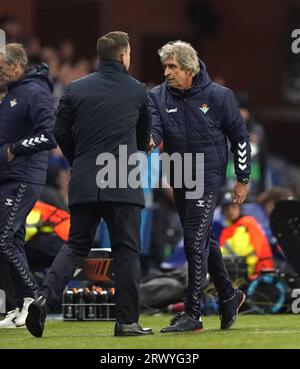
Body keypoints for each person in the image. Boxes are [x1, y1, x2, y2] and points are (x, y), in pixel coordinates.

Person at [25, 31, 153, 337]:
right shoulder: (137, 90)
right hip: (121, 178)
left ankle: (44, 297)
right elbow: (141, 139)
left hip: (84, 178)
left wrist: (77, 160)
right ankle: (127, 321)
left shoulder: (75, 88)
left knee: (75, 244)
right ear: (124, 56)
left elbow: (60, 131)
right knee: (126, 250)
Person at [149, 41, 251, 332]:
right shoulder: (157, 95)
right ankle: (229, 296)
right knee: (202, 238)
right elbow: (154, 130)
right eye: (165, 66)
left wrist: (242, 179)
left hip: (208, 175)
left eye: (173, 67)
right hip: (179, 174)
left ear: (189, 69)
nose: (167, 72)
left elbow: (240, 139)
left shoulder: (219, 96)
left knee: (194, 239)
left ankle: (192, 314)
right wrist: (149, 142)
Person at [0, 44, 57, 328]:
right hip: (9, 177)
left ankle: (35, 299)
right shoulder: (12, 93)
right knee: (13, 240)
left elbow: (50, 134)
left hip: (22, 176)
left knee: (4, 239)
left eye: (0, 68)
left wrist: (13, 150)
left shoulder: (34, 91)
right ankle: (20, 306)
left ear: (17, 65)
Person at [220, 194, 275, 279]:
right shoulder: (226, 230)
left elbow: (241, 251)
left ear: (239, 209)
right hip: (241, 272)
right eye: (227, 209)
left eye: (233, 207)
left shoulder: (247, 223)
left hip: (259, 271)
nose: (230, 211)